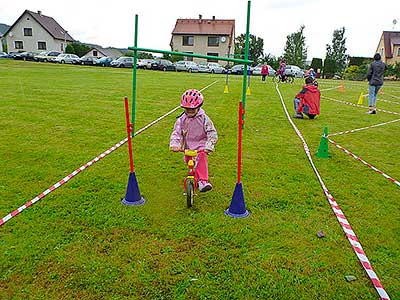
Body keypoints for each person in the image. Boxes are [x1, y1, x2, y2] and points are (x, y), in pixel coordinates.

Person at [170, 89, 218, 192]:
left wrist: (209, 146)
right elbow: (176, 133)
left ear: (199, 107)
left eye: (193, 109)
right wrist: (175, 144)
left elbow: (212, 133)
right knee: (190, 163)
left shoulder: (204, 119)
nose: (190, 111)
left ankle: (203, 181)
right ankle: (195, 177)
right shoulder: (181, 120)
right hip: (188, 146)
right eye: (187, 109)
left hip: (201, 145)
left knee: (201, 159)